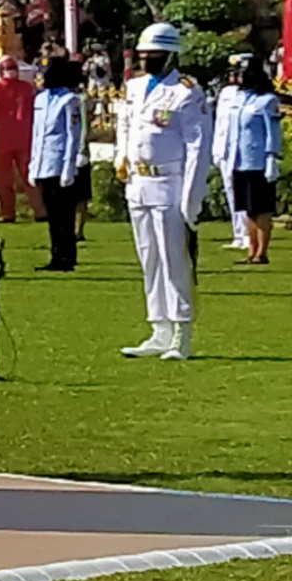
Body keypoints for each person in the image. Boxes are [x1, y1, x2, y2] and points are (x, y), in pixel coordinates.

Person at [114, 22, 209, 361]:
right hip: (138, 183)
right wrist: (120, 159)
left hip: (170, 183)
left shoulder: (186, 91)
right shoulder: (135, 87)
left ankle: (181, 331)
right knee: (149, 258)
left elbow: (198, 147)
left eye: (154, 55)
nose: (146, 61)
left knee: (174, 260)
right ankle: (158, 328)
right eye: (143, 55)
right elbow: (124, 125)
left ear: (171, 56)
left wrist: (191, 198)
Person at [30, 57, 86, 272]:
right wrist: (33, 165)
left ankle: (67, 257)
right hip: (44, 163)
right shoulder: (40, 99)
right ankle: (56, 255)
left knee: (65, 214)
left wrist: (68, 167)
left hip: (60, 163)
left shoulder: (69, 100)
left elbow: (72, 136)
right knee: (52, 215)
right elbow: (36, 134)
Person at [227, 57, 282, 267]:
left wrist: (271, 156)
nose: (237, 76)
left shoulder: (268, 100)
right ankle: (251, 250)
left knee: (262, 209)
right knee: (248, 209)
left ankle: (262, 252)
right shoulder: (239, 99)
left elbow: (273, 131)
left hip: (259, 161)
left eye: (240, 72)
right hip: (240, 161)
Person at [0, 57, 42, 223]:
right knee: (30, 177)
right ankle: (40, 211)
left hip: (2, 140)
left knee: (4, 180)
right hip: (25, 138)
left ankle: (8, 213)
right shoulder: (27, 89)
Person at [211, 55, 250, 252]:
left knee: (246, 193)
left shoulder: (253, 94)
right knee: (231, 193)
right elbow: (220, 123)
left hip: (244, 150)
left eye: (239, 73)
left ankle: (249, 234)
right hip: (226, 150)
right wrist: (217, 150)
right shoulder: (226, 92)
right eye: (233, 73)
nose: (235, 77)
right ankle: (238, 234)